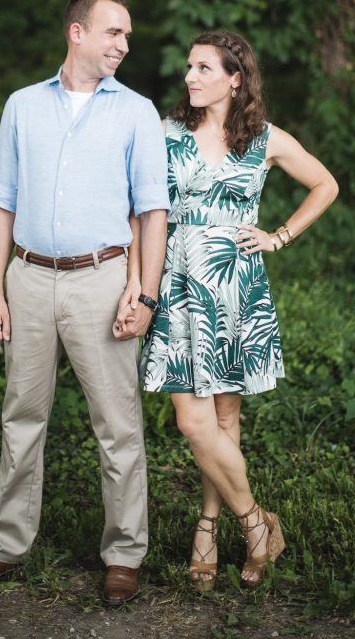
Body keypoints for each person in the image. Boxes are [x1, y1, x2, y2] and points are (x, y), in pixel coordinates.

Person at [0, 0, 169, 606]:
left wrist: (144, 294)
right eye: (113, 32)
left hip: (102, 280)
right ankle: (2, 545)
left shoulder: (137, 112)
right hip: (28, 277)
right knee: (21, 417)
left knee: (117, 426)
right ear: (77, 32)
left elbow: (154, 213)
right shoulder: (22, 106)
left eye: (127, 36)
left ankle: (124, 555)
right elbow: (2, 201)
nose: (123, 45)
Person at [117, 30, 338, 592]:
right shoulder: (164, 134)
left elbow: (325, 184)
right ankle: (258, 523)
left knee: (223, 421)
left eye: (204, 68)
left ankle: (208, 527)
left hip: (235, 286)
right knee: (193, 421)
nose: (190, 77)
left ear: (235, 78)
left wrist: (279, 236)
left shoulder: (263, 139)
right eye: (189, 67)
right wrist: (136, 283)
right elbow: (139, 215)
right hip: (175, 282)